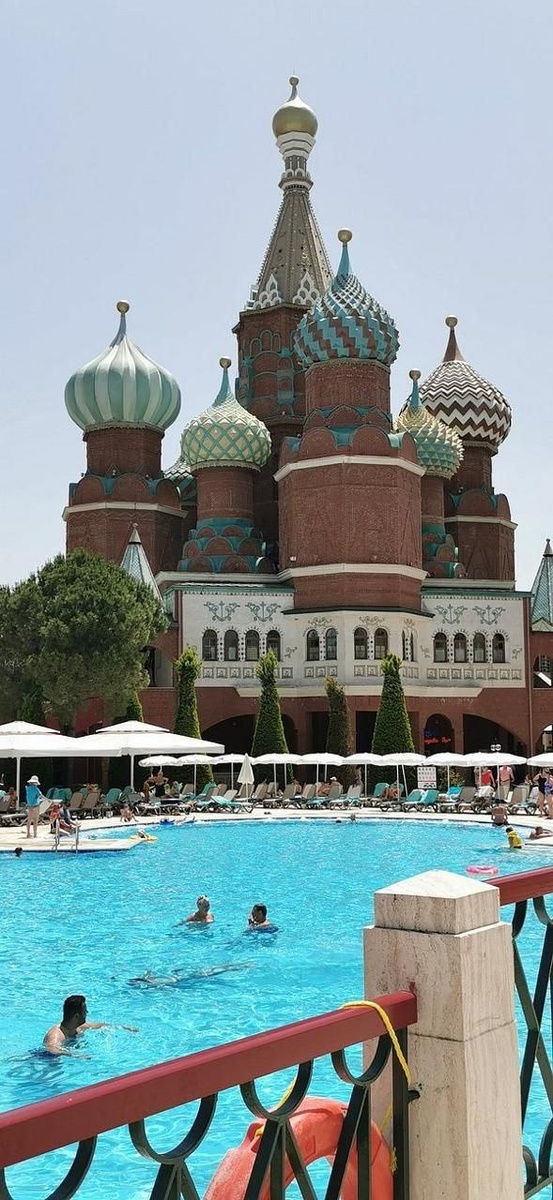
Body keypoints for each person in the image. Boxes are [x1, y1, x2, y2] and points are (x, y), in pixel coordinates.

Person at [43, 995, 138, 1056]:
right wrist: (76, 1056)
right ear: (76, 1016)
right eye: (85, 1011)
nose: (87, 1013)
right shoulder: (56, 1034)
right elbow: (51, 1049)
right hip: (46, 1060)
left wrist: (124, 1028)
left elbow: (100, 1025)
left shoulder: (79, 1027)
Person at [25, 775, 43, 839]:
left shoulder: (27, 789)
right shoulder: (36, 789)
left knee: (29, 820)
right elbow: (40, 795)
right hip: (36, 806)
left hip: (30, 806)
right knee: (35, 820)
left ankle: (28, 834)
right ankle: (35, 834)